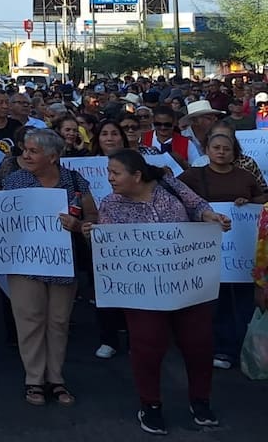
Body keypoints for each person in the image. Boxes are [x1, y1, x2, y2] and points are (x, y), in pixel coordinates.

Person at [85, 149, 231, 433]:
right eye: (109, 172)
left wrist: (209, 216)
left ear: (137, 175)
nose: (110, 178)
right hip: (144, 292)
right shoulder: (110, 205)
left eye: (115, 173)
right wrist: (94, 237)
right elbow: (109, 252)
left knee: (198, 344)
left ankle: (200, 400)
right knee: (147, 346)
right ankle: (150, 404)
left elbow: (197, 205)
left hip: (187, 282)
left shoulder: (168, 183)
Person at [0, 129, 96, 406]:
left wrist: (78, 225)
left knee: (58, 321)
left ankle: (56, 378)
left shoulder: (75, 181)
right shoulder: (16, 180)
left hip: (63, 261)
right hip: (25, 260)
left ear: (53, 156)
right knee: (30, 319)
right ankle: (34, 379)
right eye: (25, 150)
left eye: (33, 151)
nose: (25, 155)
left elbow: (92, 215)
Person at [179, 131, 266, 369]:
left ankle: (241, 347)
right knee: (215, 300)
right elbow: (175, 195)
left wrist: (248, 202)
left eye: (226, 149)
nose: (221, 152)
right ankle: (219, 348)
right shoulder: (194, 175)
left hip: (239, 250)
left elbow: (263, 198)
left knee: (241, 299)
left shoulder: (245, 176)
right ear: (207, 150)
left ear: (234, 153)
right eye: (216, 148)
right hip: (204, 246)